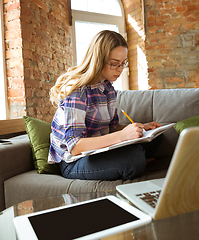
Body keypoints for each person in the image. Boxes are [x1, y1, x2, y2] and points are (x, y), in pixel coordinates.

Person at [48, 30, 162, 181]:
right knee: (133, 159)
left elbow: (112, 127)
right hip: (74, 160)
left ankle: (133, 161)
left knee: (157, 136)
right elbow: (75, 146)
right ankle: (135, 162)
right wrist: (122, 136)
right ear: (98, 60)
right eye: (115, 64)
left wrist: (142, 127)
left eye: (123, 64)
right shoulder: (78, 91)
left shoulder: (108, 88)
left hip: (98, 151)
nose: (120, 70)